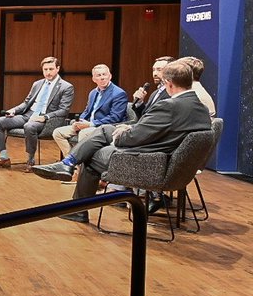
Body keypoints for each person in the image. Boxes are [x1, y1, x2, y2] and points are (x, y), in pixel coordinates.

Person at [30, 60, 214, 221]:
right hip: (168, 162)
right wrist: (127, 128)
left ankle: (78, 207)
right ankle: (68, 163)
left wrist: (122, 134)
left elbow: (131, 140)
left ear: (169, 83)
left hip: (148, 162)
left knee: (90, 156)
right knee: (104, 130)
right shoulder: (200, 108)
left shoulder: (169, 106)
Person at [0, 56, 75, 170]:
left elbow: (64, 110)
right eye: (45, 69)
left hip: (46, 120)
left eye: (51, 69)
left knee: (29, 126)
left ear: (57, 69)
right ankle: (4, 158)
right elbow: (26, 103)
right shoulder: (37, 84)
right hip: (28, 115)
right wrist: (14, 110)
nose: (48, 72)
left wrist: (45, 117)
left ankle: (30, 160)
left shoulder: (66, 87)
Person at [51, 64, 128, 158]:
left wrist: (90, 124)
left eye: (104, 74)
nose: (102, 78)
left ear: (110, 76)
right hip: (88, 125)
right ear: (94, 79)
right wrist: (79, 122)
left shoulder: (119, 93)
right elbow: (87, 111)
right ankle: (72, 162)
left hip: (104, 128)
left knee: (84, 133)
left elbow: (115, 117)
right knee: (58, 133)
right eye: (98, 75)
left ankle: (78, 165)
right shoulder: (93, 92)